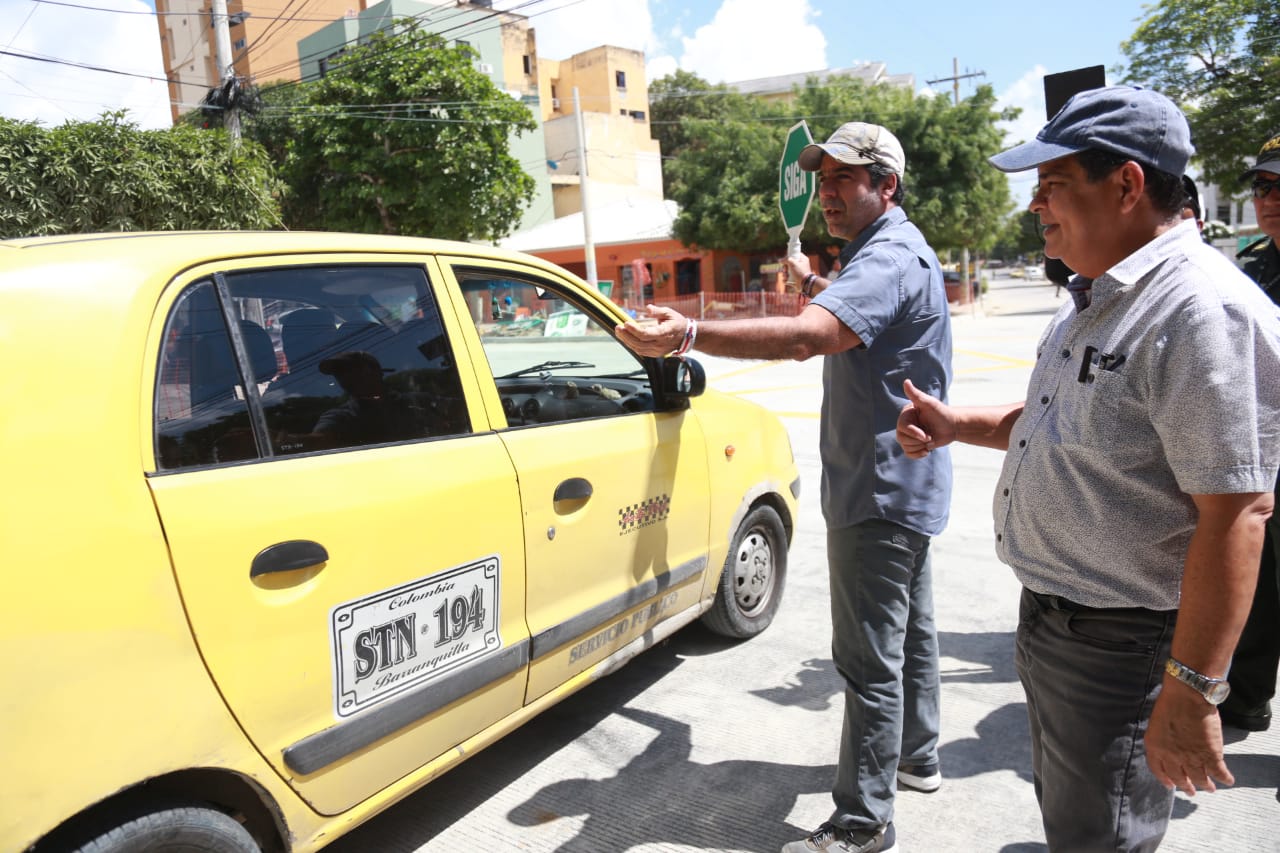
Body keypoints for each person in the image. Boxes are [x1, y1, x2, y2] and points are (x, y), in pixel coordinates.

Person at [895, 87, 1280, 851]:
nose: (1036, 206)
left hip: (1124, 645)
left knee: (1102, 837)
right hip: (1055, 623)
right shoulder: (1097, 294)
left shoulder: (1200, 310)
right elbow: (1065, 428)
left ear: (1128, 185)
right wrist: (956, 425)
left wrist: (1193, 688)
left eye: (1052, 185)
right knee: (1077, 823)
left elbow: (1237, 511)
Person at [617, 122, 952, 853]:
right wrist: (814, 283)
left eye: (844, 179)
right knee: (911, 630)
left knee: (868, 660)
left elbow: (811, 337)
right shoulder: (892, 251)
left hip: (878, 488)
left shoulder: (888, 255)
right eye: (822, 179)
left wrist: (690, 334)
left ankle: (863, 820)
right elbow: (856, 315)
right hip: (910, 482)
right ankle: (917, 756)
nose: (828, 193)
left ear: (885, 186)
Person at [1218, 130, 1280, 732]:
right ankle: (1246, 694)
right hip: (1264, 455)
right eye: (1263, 185)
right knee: (1258, 581)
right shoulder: (1253, 266)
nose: (1271, 196)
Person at [311, 350, 449, 446]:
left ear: (376, 371)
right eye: (339, 373)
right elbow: (318, 440)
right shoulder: (340, 416)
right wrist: (293, 441)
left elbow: (458, 409)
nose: (345, 377)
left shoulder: (419, 401)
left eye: (352, 369)